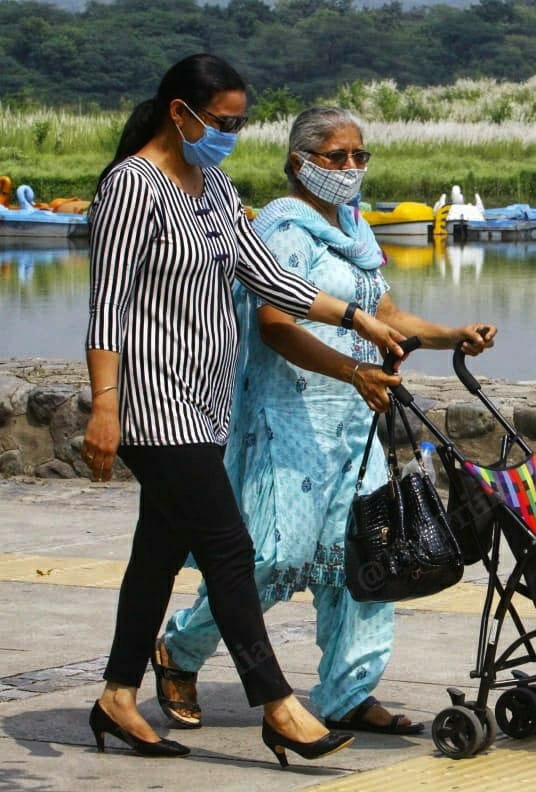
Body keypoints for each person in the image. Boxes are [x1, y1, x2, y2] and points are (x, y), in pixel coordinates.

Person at [82, 56, 406, 765]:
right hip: (150, 400)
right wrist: (105, 407)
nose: (230, 134)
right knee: (232, 551)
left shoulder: (215, 186)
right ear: (180, 112)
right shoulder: (131, 187)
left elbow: (269, 276)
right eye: (223, 122)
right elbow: (107, 309)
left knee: (156, 557)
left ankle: (115, 695)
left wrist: (360, 318)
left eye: (238, 123)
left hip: (205, 401)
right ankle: (279, 706)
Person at [150, 107, 497, 738]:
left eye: (359, 156)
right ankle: (181, 647)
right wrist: (351, 369)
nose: (350, 168)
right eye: (336, 157)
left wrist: (452, 333)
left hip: (357, 416)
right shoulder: (284, 230)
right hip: (294, 412)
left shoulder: (357, 230)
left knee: (366, 553)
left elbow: (385, 311)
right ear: (299, 162)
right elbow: (275, 326)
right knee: (276, 558)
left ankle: (347, 691)